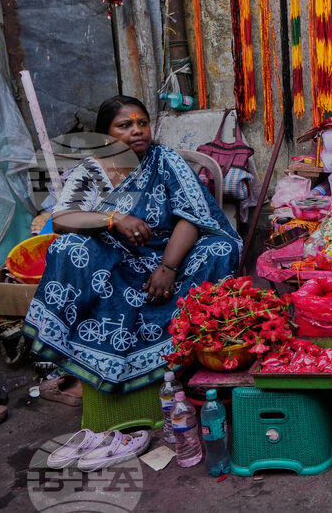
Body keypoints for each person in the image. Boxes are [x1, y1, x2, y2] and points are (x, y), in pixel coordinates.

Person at [23, 96, 240, 394]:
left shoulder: (165, 160)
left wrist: (168, 267)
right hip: (117, 265)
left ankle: (190, 351)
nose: (137, 130)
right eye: (125, 125)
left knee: (220, 247)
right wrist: (113, 219)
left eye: (142, 123)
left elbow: (192, 216)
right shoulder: (92, 170)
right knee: (68, 247)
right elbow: (62, 219)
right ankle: (85, 354)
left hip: (174, 259)